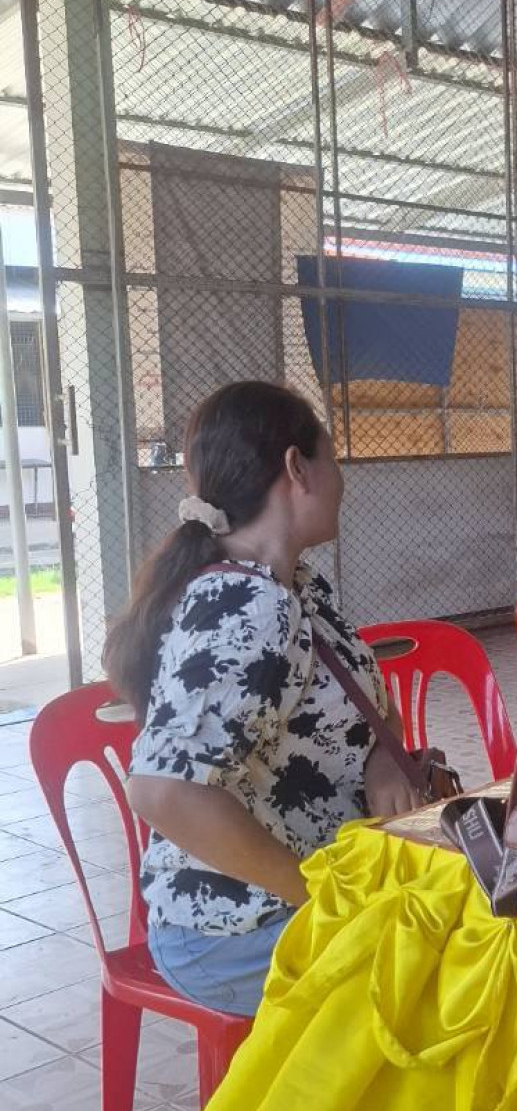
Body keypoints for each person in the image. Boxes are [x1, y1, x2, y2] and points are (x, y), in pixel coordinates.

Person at [106, 382, 418, 1017]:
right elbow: (162, 792)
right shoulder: (248, 607)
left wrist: (382, 758)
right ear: (298, 468)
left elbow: (365, 693)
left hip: (306, 891)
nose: (341, 480)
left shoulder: (295, 585)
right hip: (235, 928)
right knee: (463, 968)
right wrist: (315, 894)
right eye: (333, 458)